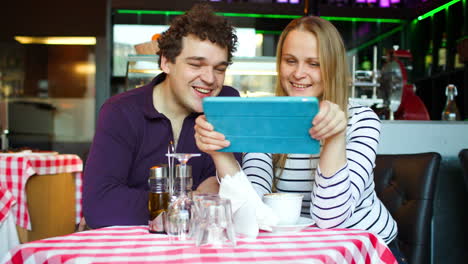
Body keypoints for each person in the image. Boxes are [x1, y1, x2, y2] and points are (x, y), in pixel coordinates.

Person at [194, 16, 406, 263]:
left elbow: (330, 219)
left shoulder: (361, 120)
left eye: (314, 63)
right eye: (290, 61)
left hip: (365, 250)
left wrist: (335, 138)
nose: (298, 73)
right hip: (298, 250)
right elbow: (252, 213)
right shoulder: (265, 117)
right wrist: (219, 153)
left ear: (332, 67)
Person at [83, 3, 241, 229]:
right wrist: (192, 200)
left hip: (198, 248)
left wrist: (143, 202)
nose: (210, 78)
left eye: (219, 69)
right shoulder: (120, 111)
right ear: (166, 62)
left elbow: (225, 192)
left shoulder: (226, 103)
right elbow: (101, 205)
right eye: (196, 64)